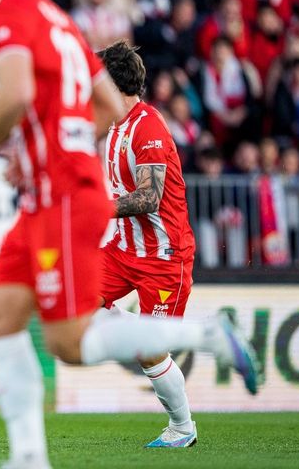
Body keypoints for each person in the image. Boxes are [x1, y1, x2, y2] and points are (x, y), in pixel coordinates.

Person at [0, 0, 259, 468]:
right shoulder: (58, 19)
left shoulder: (1, 15)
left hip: (67, 198)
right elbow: (107, 107)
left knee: (69, 341)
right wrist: (43, 148)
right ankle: (29, 457)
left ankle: (205, 334)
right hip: (58, 194)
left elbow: (13, 92)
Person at [97, 41, 199, 447]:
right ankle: (130, 328)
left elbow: (150, 197)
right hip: (123, 252)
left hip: (164, 257)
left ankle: (182, 428)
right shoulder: (114, 125)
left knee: (149, 352)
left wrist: (96, 210)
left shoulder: (148, 127)